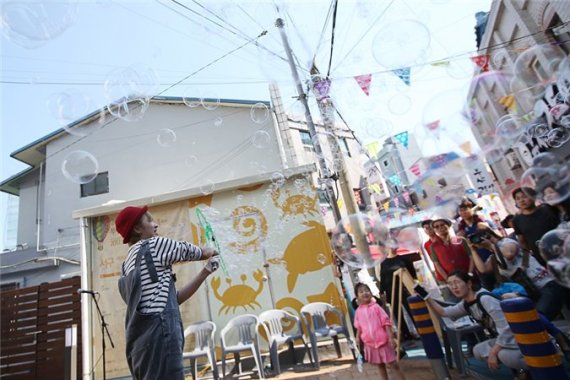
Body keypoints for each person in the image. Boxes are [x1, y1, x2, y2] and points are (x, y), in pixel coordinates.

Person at [115, 205, 219, 380]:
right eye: (150, 220)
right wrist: (214, 249)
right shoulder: (154, 245)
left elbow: (173, 299)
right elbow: (197, 252)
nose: (156, 225)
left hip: (139, 347)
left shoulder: (126, 267)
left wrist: (206, 271)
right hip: (160, 337)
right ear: (138, 228)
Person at [422, 271, 529, 378]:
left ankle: (531, 370)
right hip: (504, 339)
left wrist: (493, 352)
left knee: (503, 355)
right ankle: (521, 369)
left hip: (520, 336)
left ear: (469, 284)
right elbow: (444, 312)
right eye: (450, 284)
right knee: (478, 351)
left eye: (457, 282)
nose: (454, 287)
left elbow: (507, 328)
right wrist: (426, 297)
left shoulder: (484, 298)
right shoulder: (467, 303)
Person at [468, 225, 566, 320]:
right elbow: (483, 269)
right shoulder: (494, 257)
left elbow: (509, 254)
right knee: (538, 322)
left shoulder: (507, 242)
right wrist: (473, 250)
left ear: (488, 236)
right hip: (532, 292)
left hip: (547, 285)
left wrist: (492, 245)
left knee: (540, 318)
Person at [353, 282, 406, 380]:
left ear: (371, 293)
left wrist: (391, 338)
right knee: (380, 366)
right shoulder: (358, 312)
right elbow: (358, 327)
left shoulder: (376, 307)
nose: (365, 293)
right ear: (357, 297)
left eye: (367, 290)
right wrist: (357, 338)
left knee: (394, 365)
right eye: (361, 292)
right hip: (370, 344)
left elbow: (386, 322)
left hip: (384, 342)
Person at [511, 187, 560, 266]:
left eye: (525, 196)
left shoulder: (548, 209)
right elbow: (523, 242)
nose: (521, 200)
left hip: (562, 250)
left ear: (533, 197)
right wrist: (526, 263)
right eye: (518, 198)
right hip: (543, 259)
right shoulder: (516, 220)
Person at [456, 198, 497, 289]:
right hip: (480, 264)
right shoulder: (461, 230)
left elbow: (498, 238)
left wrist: (487, 229)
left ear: (472, 209)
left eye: (466, 209)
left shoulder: (484, 223)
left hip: (495, 259)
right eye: (461, 211)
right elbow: (468, 252)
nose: (463, 212)